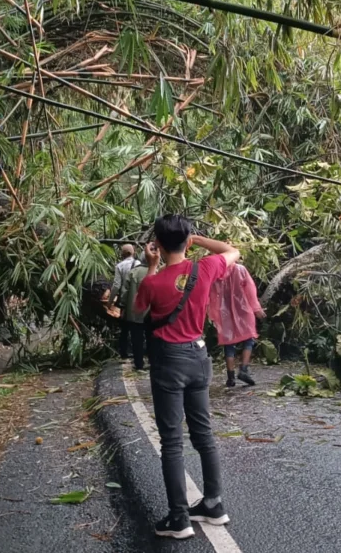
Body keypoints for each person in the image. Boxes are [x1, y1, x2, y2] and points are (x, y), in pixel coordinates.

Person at [134, 215, 239, 539]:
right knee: (203, 434)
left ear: (159, 245)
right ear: (187, 239)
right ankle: (214, 504)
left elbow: (139, 312)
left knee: (171, 441)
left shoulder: (153, 281)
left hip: (169, 361)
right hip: (198, 356)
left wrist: (152, 266)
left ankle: (179, 519)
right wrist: (200, 240)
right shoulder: (204, 268)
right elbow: (232, 251)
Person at [208, 263, 265, 387]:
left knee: (228, 343)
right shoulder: (240, 269)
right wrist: (256, 308)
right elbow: (250, 289)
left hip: (224, 312)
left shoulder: (215, 272)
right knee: (249, 339)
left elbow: (211, 293)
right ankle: (243, 370)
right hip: (243, 308)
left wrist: (212, 312)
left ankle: (230, 377)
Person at [115, 252, 149, 370]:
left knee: (137, 338)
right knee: (152, 337)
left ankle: (139, 364)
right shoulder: (158, 271)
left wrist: (123, 305)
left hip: (135, 312)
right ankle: (153, 361)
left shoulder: (133, 272)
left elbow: (124, 292)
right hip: (152, 312)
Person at [108, 244, 137, 357]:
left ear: (122, 254)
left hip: (124, 300)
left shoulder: (120, 266)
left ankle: (124, 352)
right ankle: (138, 351)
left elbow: (116, 285)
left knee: (124, 327)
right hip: (138, 299)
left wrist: (110, 302)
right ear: (133, 252)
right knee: (137, 325)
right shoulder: (139, 264)